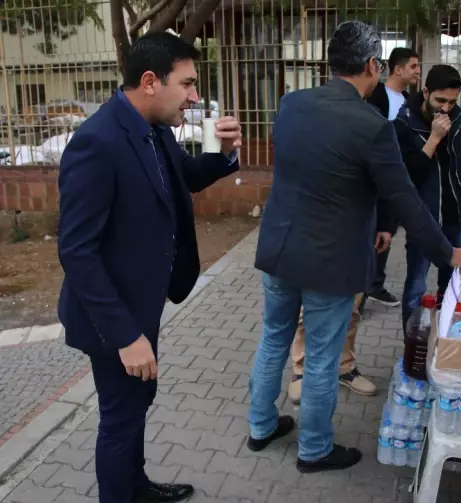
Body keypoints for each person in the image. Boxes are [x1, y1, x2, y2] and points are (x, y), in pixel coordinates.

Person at [248, 21, 461, 474]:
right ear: (373, 66)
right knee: (320, 357)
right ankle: (313, 450)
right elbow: (405, 199)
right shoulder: (371, 125)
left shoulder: (291, 104)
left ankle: (260, 427)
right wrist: (447, 252)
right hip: (330, 263)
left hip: (279, 249)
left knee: (273, 338)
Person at [57, 32, 242, 503]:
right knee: (120, 418)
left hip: (142, 303)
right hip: (112, 317)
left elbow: (182, 176)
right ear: (149, 82)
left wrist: (222, 157)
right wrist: (125, 335)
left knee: (138, 404)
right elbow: (77, 251)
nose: (195, 96)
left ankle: (136, 487)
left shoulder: (153, 126)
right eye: (188, 84)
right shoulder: (97, 142)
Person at [391, 64, 461, 328]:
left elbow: (451, 166)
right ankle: (412, 345)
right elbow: (409, 176)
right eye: (440, 100)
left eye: (452, 101)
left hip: (453, 215)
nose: (446, 108)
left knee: (451, 285)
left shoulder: (456, 117)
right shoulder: (404, 124)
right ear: (425, 92)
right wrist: (434, 138)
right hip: (424, 220)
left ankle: (444, 339)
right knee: (416, 286)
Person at [365, 47, 421, 307]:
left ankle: (375, 285)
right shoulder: (375, 96)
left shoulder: (411, 101)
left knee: (386, 231)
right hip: (374, 178)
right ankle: (358, 294)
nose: (418, 71)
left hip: (399, 177)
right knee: (369, 233)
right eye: (413, 66)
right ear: (397, 69)